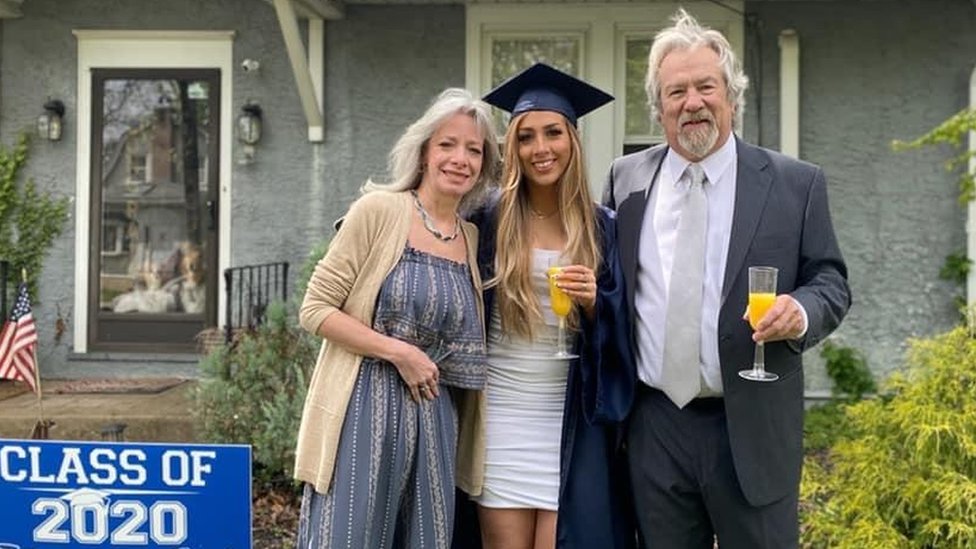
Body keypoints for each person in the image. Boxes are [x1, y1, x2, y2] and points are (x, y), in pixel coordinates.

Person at [602, 9, 851, 549]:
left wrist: (801, 311)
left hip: (752, 425)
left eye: (705, 87)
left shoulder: (794, 184)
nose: (692, 102)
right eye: (676, 92)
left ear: (731, 96)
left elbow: (830, 279)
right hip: (655, 426)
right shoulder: (626, 180)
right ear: (659, 107)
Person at [294, 87, 500, 549]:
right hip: (362, 408)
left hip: (435, 419)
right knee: (349, 535)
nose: (460, 159)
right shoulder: (379, 211)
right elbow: (314, 309)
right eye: (447, 144)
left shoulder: (470, 237)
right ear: (424, 152)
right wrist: (398, 351)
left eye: (473, 149)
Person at [457, 63, 636, 549]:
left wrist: (598, 303)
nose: (541, 149)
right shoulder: (486, 220)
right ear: (512, 147)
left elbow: (630, 328)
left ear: (572, 140)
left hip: (572, 423)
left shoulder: (604, 227)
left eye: (553, 133)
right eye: (526, 137)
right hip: (502, 421)